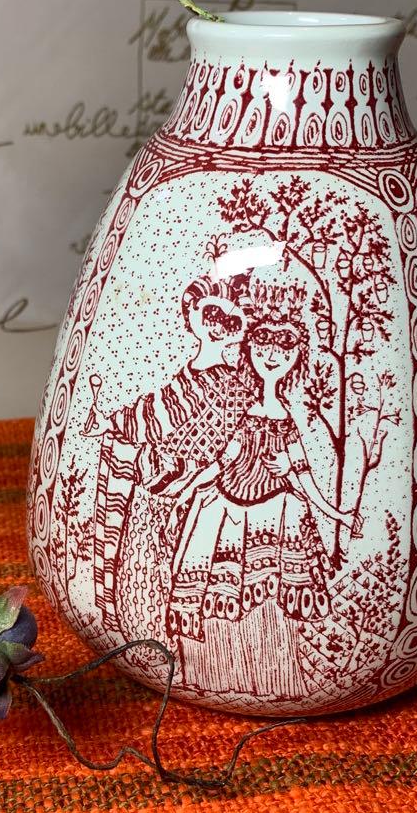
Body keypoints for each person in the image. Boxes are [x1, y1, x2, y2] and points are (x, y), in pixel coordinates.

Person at [160, 281, 360, 700]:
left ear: (296, 355)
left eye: (284, 347)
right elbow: (222, 461)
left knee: (266, 597)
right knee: (219, 595)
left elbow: (302, 476)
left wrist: (335, 512)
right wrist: (186, 488)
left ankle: (268, 678)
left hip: (274, 514)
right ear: (249, 347)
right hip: (225, 510)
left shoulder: (285, 417)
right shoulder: (241, 406)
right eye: (263, 343)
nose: (272, 355)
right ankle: (216, 670)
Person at [83, 273, 252, 663]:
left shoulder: (225, 383)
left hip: (192, 482)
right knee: (143, 562)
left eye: (229, 321)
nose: (218, 327)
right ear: (193, 316)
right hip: (168, 477)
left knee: (122, 459)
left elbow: (156, 418)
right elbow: (153, 413)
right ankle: (128, 617)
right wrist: (112, 422)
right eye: (211, 316)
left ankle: (140, 620)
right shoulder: (194, 376)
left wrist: (112, 424)